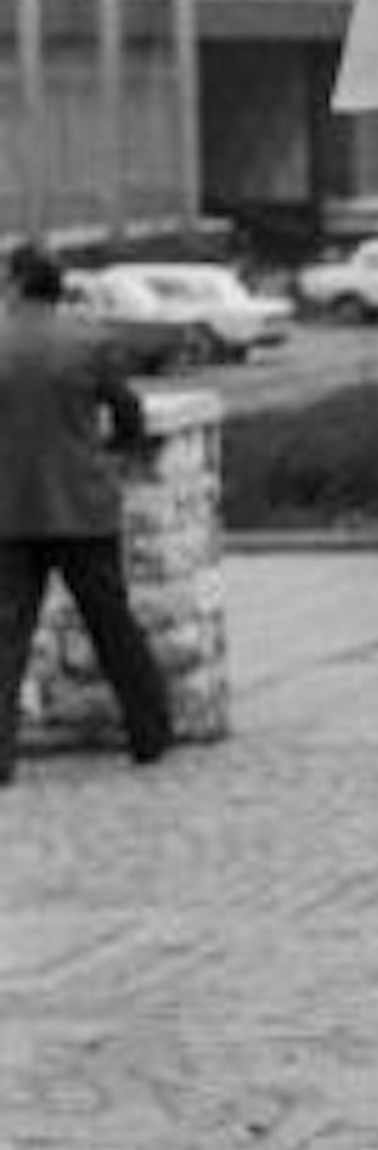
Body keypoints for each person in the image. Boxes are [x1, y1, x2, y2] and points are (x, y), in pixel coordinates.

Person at [0, 243, 173, 784]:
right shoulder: (89, 341)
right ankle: (149, 734)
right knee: (113, 624)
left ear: (19, 285)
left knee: (7, 636)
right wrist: (120, 453)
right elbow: (127, 412)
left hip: (10, 509)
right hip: (84, 505)